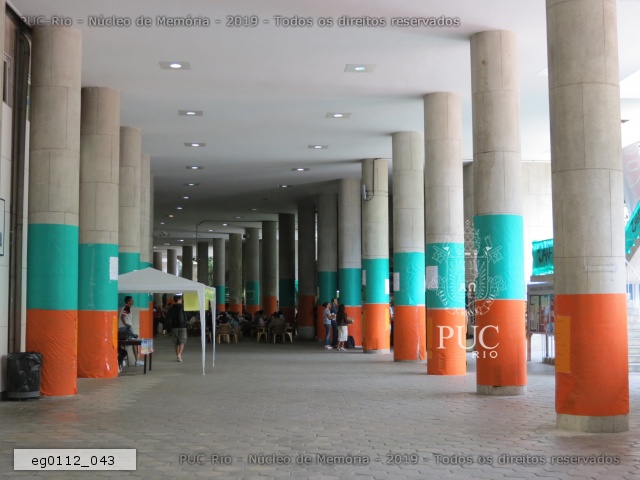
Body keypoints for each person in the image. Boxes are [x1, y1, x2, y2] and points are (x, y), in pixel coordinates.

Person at [119, 296, 143, 366]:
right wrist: (126, 325)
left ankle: (121, 361)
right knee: (134, 343)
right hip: (126, 329)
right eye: (131, 300)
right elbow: (122, 316)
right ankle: (137, 361)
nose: (133, 301)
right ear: (128, 301)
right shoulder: (127, 307)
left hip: (122, 328)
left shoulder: (124, 308)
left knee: (122, 344)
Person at [168, 295, 188, 362]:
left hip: (174, 326)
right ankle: (179, 354)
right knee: (182, 341)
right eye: (181, 299)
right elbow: (186, 316)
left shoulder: (171, 308)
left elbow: (168, 318)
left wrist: (167, 328)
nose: (182, 300)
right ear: (179, 300)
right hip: (183, 326)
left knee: (176, 342)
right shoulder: (183, 307)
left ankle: (178, 357)